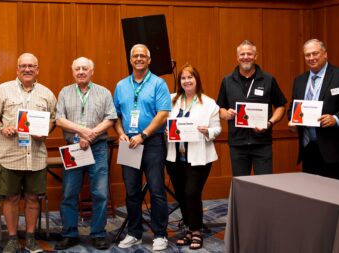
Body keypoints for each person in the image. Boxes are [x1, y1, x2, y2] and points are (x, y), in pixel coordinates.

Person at [0, 53, 57, 253]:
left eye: (31, 66)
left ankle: (31, 238)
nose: (27, 69)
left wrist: (45, 131)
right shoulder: (3, 90)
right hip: (9, 156)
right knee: (11, 198)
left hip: (36, 157)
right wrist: (2, 128)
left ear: (37, 69)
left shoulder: (47, 94)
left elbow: (53, 119)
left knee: (33, 198)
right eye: (23, 66)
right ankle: (12, 239)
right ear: (17, 69)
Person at [54, 57, 117, 250]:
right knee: (69, 192)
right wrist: (82, 131)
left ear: (92, 71)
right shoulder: (65, 92)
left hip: (97, 148)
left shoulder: (104, 92)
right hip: (72, 148)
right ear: (72, 72)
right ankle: (69, 233)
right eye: (77, 69)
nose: (81, 72)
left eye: (85, 69)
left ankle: (98, 233)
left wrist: (91, 135)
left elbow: (111, 118)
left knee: (99, 193)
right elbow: (59, 120)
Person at [113, 44, 171, 251]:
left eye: (142, 56)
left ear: (149, 60)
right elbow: (116, 116)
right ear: (130, 60)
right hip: (128, 143)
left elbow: (163, 114)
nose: (138, 59)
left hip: (152, 142)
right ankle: (134, 232)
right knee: (131, 192)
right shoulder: (121, 85)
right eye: (135, 56)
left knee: (156, 190)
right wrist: (120, 133)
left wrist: (143, 135)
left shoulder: (158, 83)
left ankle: (160, 234)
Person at [166, 64, 221, 250]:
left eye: (190, 77)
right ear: (179, 81)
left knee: (192, 193)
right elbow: (163, 122)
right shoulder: (171, 100)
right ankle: (188, 229)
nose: (187, 81)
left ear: (197, 80)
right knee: (181, 195)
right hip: (175, 157)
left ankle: (196, 231)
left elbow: (218, 129)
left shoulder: (209, 103)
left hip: (199, 157)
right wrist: (166, 131)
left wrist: (208, 131)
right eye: (183, 78)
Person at [217, 40, 287, 176]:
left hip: (262, 143)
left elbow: (280, 106)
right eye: (242, 54)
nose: (245, 57)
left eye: (249, 54)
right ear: (237, 57)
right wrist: (226, 114)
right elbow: (220, 108)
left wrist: (270, 122)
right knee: (241, 184)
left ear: (255, 57)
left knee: (265, 185)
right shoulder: (227, 81)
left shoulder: (268, 80)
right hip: (238, 145)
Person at [288, 39, 339, 182]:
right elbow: (293, 107)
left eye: (315, 53)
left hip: (335, 150)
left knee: (338, 196)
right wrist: (292, 121)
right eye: (307, 55)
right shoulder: (299, 80)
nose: (311, 58)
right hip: (309, 149)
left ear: (325, 54)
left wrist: (336, 119)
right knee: (312, 197)